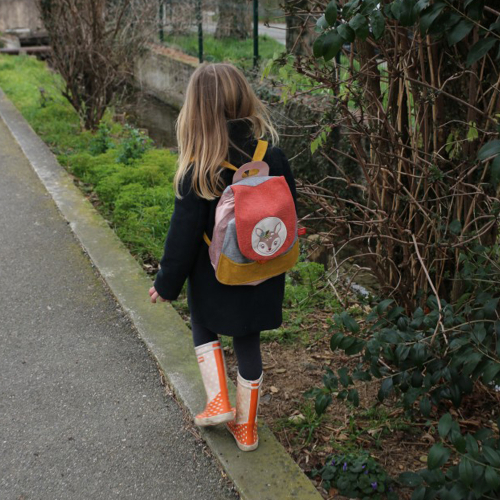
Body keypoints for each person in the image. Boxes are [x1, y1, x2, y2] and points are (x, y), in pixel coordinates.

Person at [148, 62, 297, 452]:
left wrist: (165, 285)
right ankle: (246, 429)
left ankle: (218, 400)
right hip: (263, 269)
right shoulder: (274, 156)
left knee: (203, 323)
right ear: (244, 100)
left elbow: (181, 238)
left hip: (215, 276)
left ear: (195, 111)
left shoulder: (199, 169)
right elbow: (291, 209)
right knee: (249, 343)